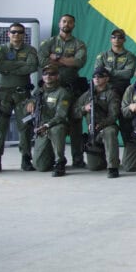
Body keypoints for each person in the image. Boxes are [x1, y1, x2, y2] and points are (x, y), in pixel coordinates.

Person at [38, 14, 87, 168]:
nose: (67, 24)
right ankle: (55, 157)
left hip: (71, 88)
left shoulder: (79, 44)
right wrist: (67, 60)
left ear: (74, 25)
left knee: (75, 124)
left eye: (70, 22)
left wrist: (56, 58)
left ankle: (77, 158)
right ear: (59, 24)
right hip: (50, 90)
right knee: (52, 121)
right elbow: (42, 61)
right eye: (64, 21)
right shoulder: (49, 42)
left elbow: (79, 62)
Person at [0, 21, 39, 173]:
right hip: (3, 95)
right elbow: (1, 66)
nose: (16, 34)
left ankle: (26, 159)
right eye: (13, 32)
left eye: (19, 32)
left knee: (25, 127)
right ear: (8, 34)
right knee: (0, 128)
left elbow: (31, 67)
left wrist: (11, 66)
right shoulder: (1, 49)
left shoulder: (30, 49)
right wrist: (20, 65)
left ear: (24, 34)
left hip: (22, 95)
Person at [73, 66, 122, 177]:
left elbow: (114, 116)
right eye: (94, 76)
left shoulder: (111, 94)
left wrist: (101, 125)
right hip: (92, 131)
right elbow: (74, 112)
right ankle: (106, 158)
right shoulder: (87, 95)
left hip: (107, 126)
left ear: (107, 79)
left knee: (109, 132)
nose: (96, 78)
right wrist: (84, 109)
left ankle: (113, 167)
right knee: (94, 167)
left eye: (100, 76)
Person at [29, 64, 73, 177]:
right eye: (45, 74)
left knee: (57, 129)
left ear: (57, 76)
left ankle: (60, 162)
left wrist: (48, 125)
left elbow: (61, 115)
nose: (48, 76)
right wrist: (30, 103)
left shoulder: (62, 93)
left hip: (56, 125)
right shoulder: (38, 92)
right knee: (40, 166)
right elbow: (30, 109)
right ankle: (50, 156)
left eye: (52, 74)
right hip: (41, 128)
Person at [93, 28, 136, 96]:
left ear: (124, 40)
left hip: (121, 86)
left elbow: (128, 74)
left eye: (120, 37)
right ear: (110, 39)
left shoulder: (130, 56)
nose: (117, 39)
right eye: (114, 37)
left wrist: (110, 71)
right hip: (103, 85)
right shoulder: (102, 55)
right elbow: (97, 71)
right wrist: (119, 73)